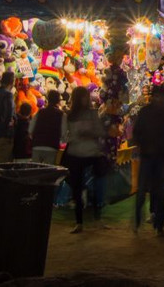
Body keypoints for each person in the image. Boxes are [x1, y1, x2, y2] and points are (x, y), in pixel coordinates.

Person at [132, 85, 164, 237]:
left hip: (155, 155)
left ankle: (148, 223)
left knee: (150, 190)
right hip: (158, 155)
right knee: (155, 191)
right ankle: (152, 223)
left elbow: (136, 132)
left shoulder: (148, 111)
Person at [64, 86, 108, 233]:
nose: (85, 99)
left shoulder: (92, 113)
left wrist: (89, 134)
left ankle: (97, 217)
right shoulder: (69, 115)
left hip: (90, 153)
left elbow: (100, 131)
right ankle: (80, 221)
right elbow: (64, 136)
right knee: (77, 188)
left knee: (96, 186)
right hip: (77, 153)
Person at [30, 90, 64, 165]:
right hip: (52, 146)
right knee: (48, 171)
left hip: (37, 145)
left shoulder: (40, 112)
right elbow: (64, 132)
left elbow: (30, 129)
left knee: (34, 170)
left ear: (48, 99)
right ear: (58, 100)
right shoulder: (61, 114)